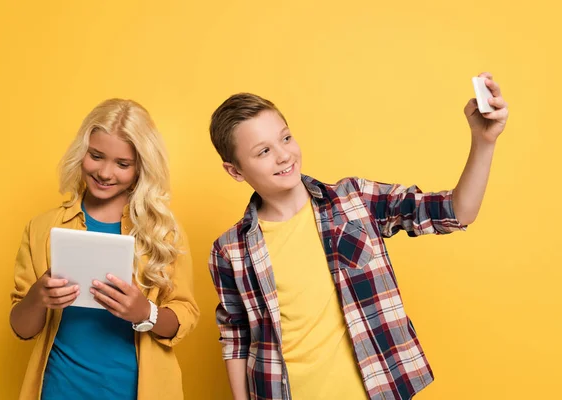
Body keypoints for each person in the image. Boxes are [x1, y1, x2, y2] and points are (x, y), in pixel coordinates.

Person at [207, 73, 508, 400]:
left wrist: (484, 141)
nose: (283, 155)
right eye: (263, 151)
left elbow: (455, 212)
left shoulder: (355, 201)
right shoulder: (230, 250)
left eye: (286, 138)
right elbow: (236, 336)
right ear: (235, 171)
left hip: (373, 390)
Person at [10, 98, 199, 400]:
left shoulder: (164, 232)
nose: (105, 173)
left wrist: (144, 312)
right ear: (81, 152)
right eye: (96, 156)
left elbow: (184, 314)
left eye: (122, 164)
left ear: (141, 168)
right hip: (60, 389)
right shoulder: (42, 228)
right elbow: (22, 328)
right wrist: (38, 296)